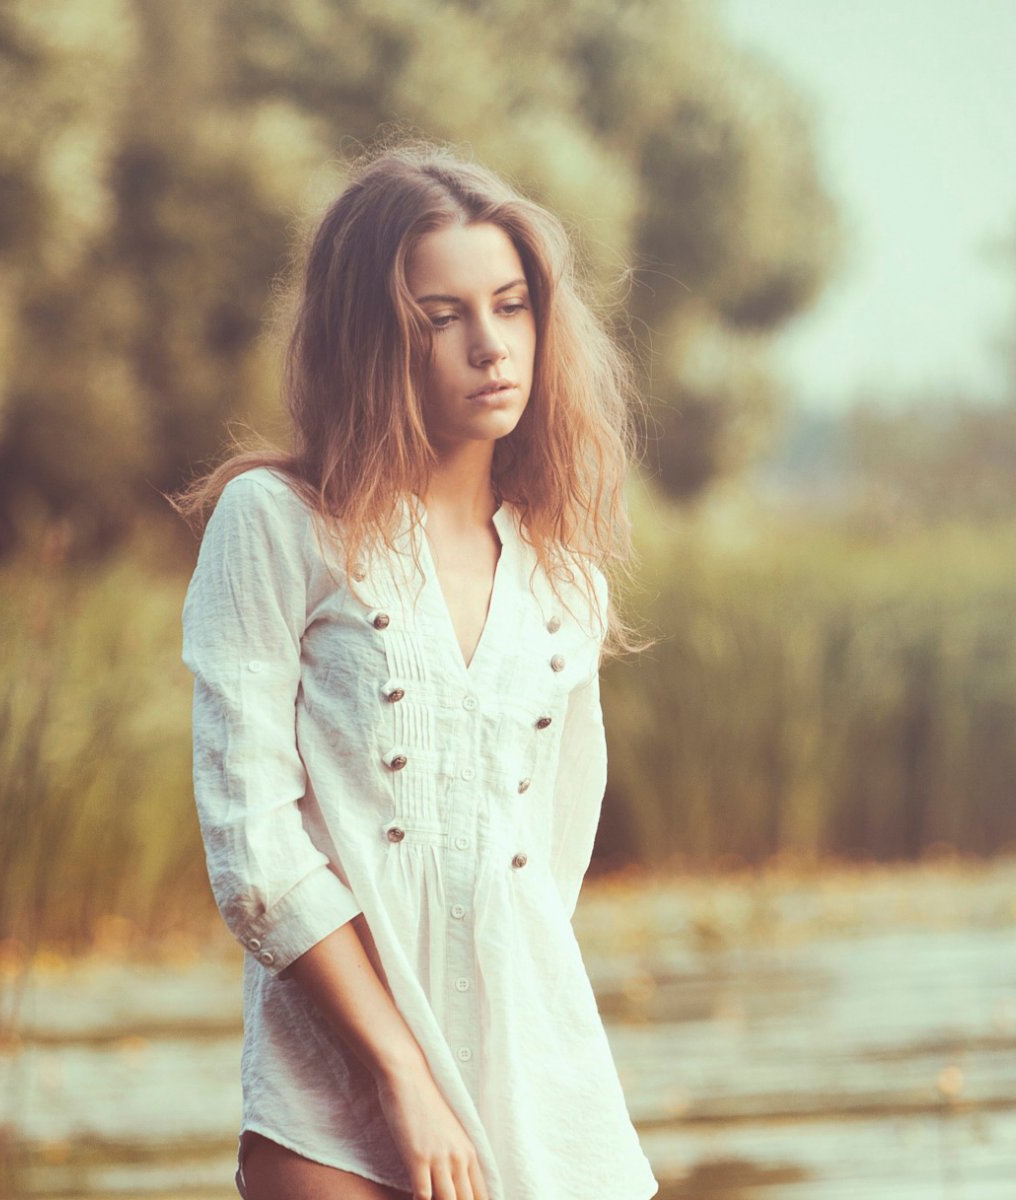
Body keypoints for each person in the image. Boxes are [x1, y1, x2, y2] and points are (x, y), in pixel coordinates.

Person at [171, 143, 659, 1200]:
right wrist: (402, 1072)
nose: (491, 346)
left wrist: (477, 1076)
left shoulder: (566, 577)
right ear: (371, 337)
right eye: (443, 318)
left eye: (512, 304)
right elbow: (254, 847)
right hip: (329, 1105)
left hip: (539, 1095)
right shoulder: (278, 526)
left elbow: (546, 865)